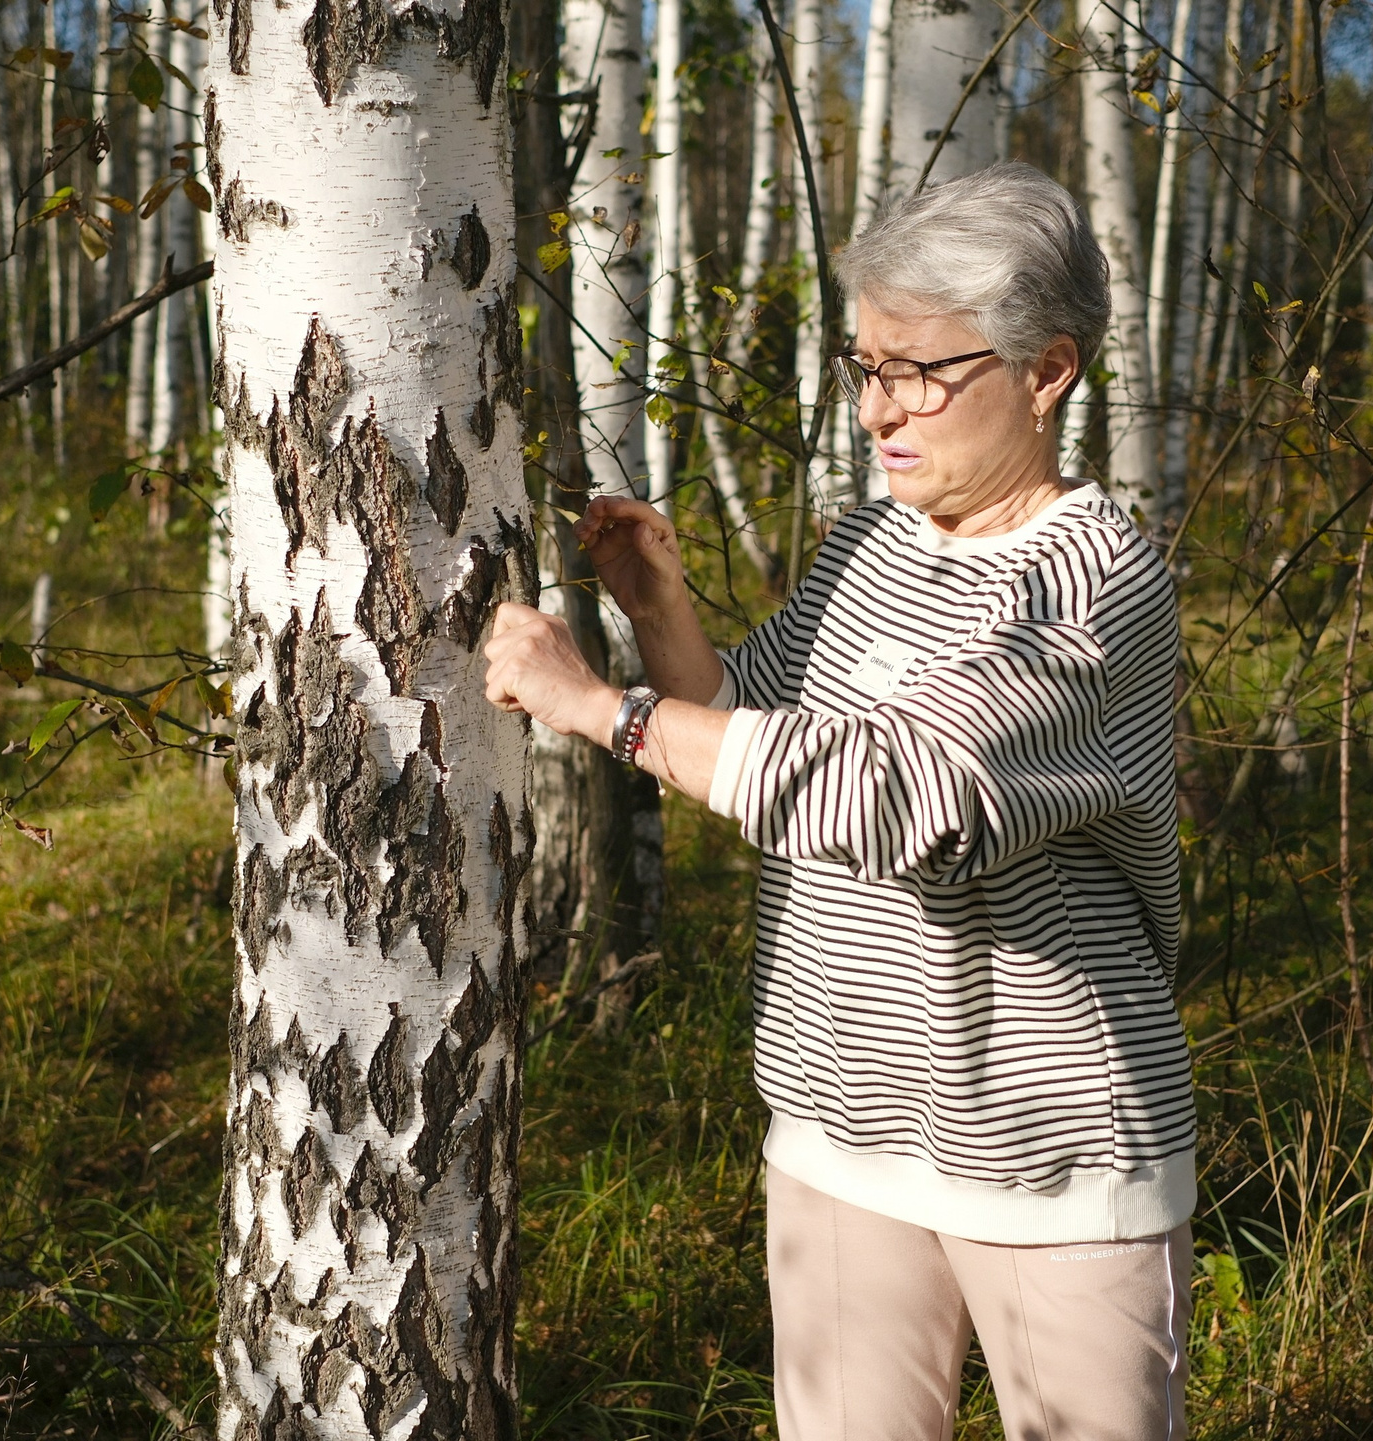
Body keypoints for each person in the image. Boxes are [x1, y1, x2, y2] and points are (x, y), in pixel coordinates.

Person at [484, 161, 1194, 1440]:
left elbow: (895, 797)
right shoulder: (873, 544)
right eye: (865, 367)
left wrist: (597, 707)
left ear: (1046, 371)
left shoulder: (1090, 585)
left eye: (919, 372)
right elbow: (751, 724)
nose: (876, 410)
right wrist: (660, 611)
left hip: (1047, 1152)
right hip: (840, 1128)